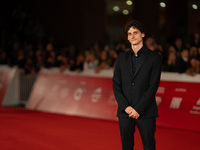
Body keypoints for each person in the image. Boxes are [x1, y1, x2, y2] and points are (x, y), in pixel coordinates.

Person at [112, 20, 161, 150]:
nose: (132, 36)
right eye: (129, 34)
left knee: (149, 146)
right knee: (126, 146)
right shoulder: (121, 58)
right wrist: (126, 107)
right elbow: (116, 85)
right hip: (125, 112)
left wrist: (138, 109)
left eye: (135, 33)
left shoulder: (154, 58)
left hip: (146, 111)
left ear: (143, 34)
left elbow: (153, 86)